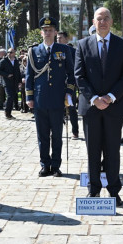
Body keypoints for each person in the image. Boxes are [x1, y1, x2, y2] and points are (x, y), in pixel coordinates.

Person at [75, 7, 123, 204]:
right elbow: (79, 76)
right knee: (92, 150)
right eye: (99, 19)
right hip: (91, 108)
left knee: (112, 151)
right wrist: (94, 99)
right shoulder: (82, 45)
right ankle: (93, 190)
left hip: (114, 107)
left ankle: (114, 190)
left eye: (106, 18)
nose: (103, 22)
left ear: (111, 21)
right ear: (93, 22)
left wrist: (109, 97)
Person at [25, 17, 75, 177]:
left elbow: (71, 74)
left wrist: (69, 93)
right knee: (43, 135)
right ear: (41, 33)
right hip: (40, 100)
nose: (47, 33)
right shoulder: (33, 51)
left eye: (50, 30)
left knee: (57, 135)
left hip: (57, 99)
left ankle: (55, 165)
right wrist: (29, 97)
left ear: (55, 32)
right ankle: (44, 165)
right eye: (45, 30)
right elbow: (29, 76)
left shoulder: (64, 50)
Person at [57, 31, 79, 139]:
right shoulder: (54, 50)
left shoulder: (73, 51)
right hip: (57, 84)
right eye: (57, 38)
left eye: (60, 38)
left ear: (66, 39)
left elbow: (76, 67)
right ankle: (58, 130)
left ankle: (75, 131)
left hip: (70, 84)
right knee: (57, 108)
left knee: (71, 108)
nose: (58, 39)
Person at [0, 47, 21, 120]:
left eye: (11, 52)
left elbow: (18, 72)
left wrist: (19, 81)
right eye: (9, 52)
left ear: (14, 53)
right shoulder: (4, 61)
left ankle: (9, 113)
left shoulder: (16, 61)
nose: (10, 53)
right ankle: (7, 113)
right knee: (10, 96)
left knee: (12, 97)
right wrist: (7, 75)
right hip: (7, 82)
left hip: (14, 82)